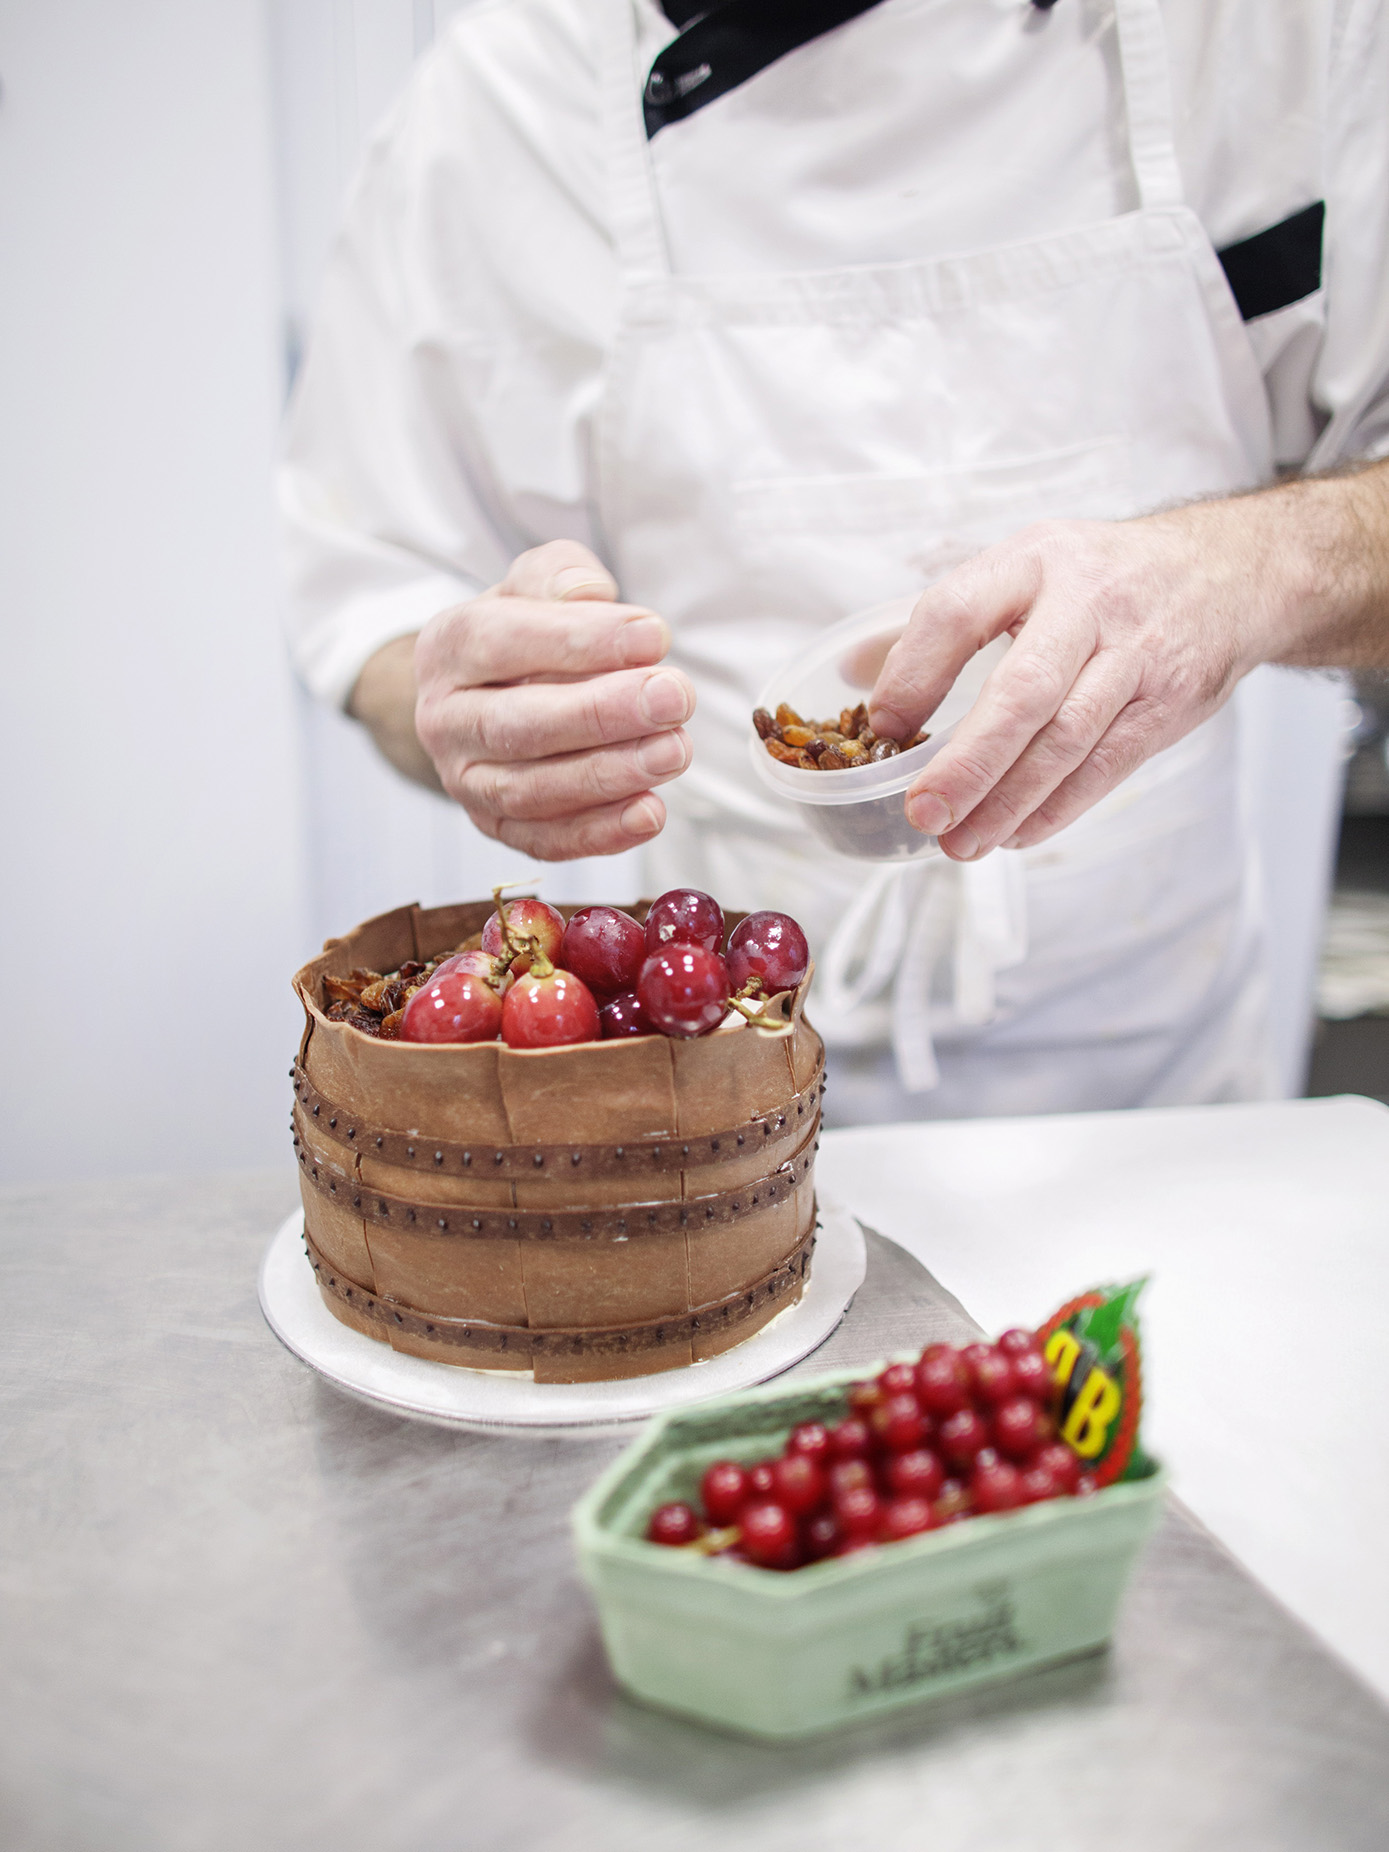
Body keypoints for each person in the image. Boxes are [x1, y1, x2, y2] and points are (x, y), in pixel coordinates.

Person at [281, 0, 1389, 1122]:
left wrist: (1244, 569)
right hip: (720, 1073)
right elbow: (373, 587)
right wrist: (479, 709)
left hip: (1168, 1073)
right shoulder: (505, 107)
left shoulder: (1284, 28)